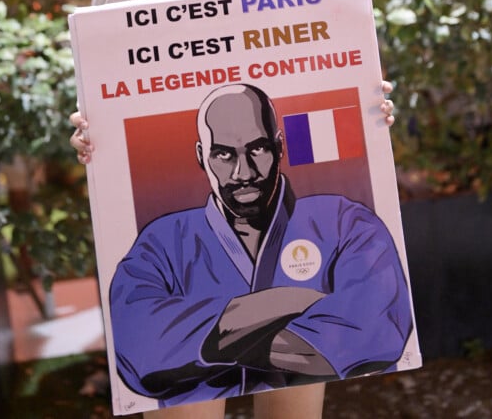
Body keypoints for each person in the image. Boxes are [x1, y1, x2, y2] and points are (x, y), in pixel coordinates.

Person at [70, 0, 395, 419]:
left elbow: (322, 80)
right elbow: (101, 87)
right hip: (177, 238)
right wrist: (88, 128)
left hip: (299, 238)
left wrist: (365, 104)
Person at [109, 83, 412, 408]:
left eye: (257, 149)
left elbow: (376, 325)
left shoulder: (342, 222)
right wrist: (287, 301)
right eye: (223, 154)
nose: (244, 173)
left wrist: (201, 339)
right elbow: (136, 340)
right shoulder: (164, 241)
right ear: (202, 156)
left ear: (279, 147)